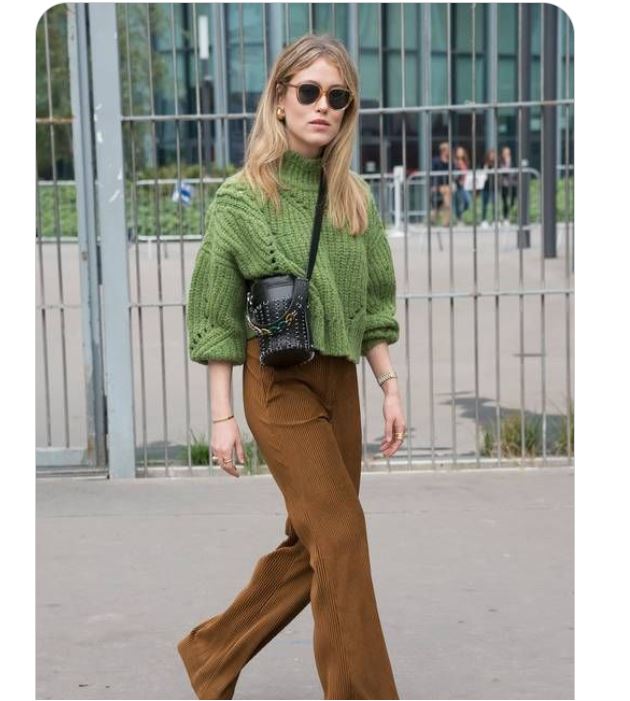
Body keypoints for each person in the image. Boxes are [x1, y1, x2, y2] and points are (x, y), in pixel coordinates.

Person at [177, 33, 404, 700]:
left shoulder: (354, 198)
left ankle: (212, 651)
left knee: (317, 543)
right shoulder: (242, 199)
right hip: (277, 384)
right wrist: (222, 416)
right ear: (279, 99)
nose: (323, 106)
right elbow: (216, 316)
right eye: (309, 91)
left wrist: (389, 386)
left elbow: (375, 305)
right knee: (340, 532)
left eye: (338, 96)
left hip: (341, 383)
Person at [430, 141, 452, 226]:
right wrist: (432, 186)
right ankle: (443, 221)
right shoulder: (435, 161)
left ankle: (445, 221)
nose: (449, 151)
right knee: (442, 204)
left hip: (447, 186)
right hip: (437, 185)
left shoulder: (450, 162)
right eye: (448, 150)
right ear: (443, 151)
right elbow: (432, 174)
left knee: (445, 201)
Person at [453, 145, 471, 225]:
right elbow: (454, 174)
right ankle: (459, 219)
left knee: (467, 201)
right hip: (458, 185)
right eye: (458, 151)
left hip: (466, 185)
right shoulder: (454, 162)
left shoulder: (465, 161)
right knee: (458, 203)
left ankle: (459, 216)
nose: (460, 153)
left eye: (461, 151)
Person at [500, 145, 517, 226]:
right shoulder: (500, 161)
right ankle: (505, 217)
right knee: (505, 202)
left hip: (512, 183)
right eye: (504, 152)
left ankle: (511, 216)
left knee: (512, 200)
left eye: (507, 152)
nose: (506, 154)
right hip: (504, 184)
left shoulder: (513, 161)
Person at [481, 148, 498, 228]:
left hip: (494, 186)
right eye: (491, 154)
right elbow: (482, 174)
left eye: (493, 154)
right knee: (485, 203)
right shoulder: (484, 163)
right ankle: (484, 220)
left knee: (495, 203)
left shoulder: (497, 163)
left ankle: (495, 220)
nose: (492, 156)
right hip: (486, 186)